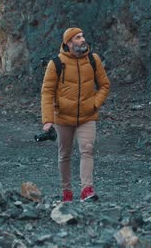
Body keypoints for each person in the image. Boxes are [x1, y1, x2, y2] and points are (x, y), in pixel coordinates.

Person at [40, 27, 110, 202]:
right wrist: (48, 121)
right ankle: (67, 192)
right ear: (69, 43)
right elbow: (47, 92)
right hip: (63, 118)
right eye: (78, 37)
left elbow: (104, 85)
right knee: (64, 154)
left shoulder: (93, 60)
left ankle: (87, 190)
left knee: (87, 150)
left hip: (87, 117)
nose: (82, 39)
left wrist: (94, 103)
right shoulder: (56, 63)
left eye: (82, 36)